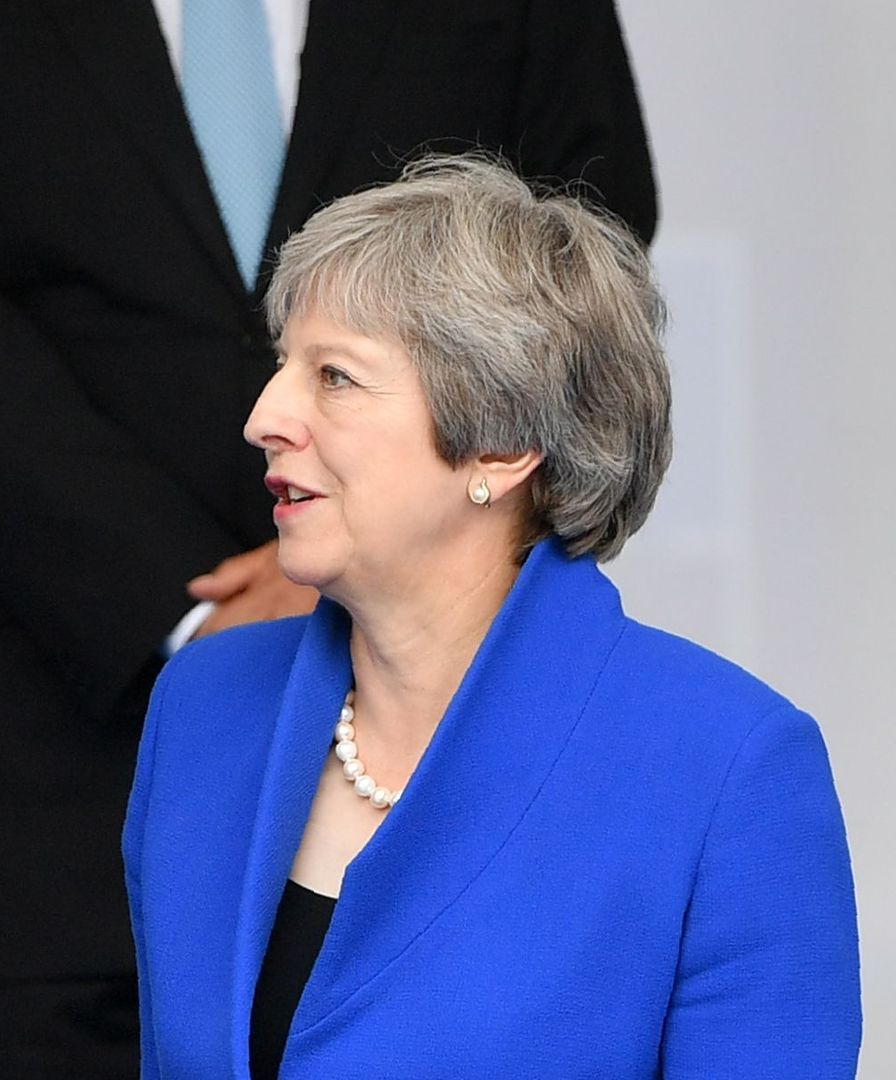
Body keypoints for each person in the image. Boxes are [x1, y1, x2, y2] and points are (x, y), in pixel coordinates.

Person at [0, 0, 657, 1072]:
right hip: (53, 761)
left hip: (450, 729)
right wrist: (191, 602)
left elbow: (580, 254)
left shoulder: (721, 753)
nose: (274, 414)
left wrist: (353, 560)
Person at [124, 156, 860, 1078]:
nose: (266, 416)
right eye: (284, 365)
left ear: (502, 444)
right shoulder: (204, 706)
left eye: (337, 376)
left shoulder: (727, 771)